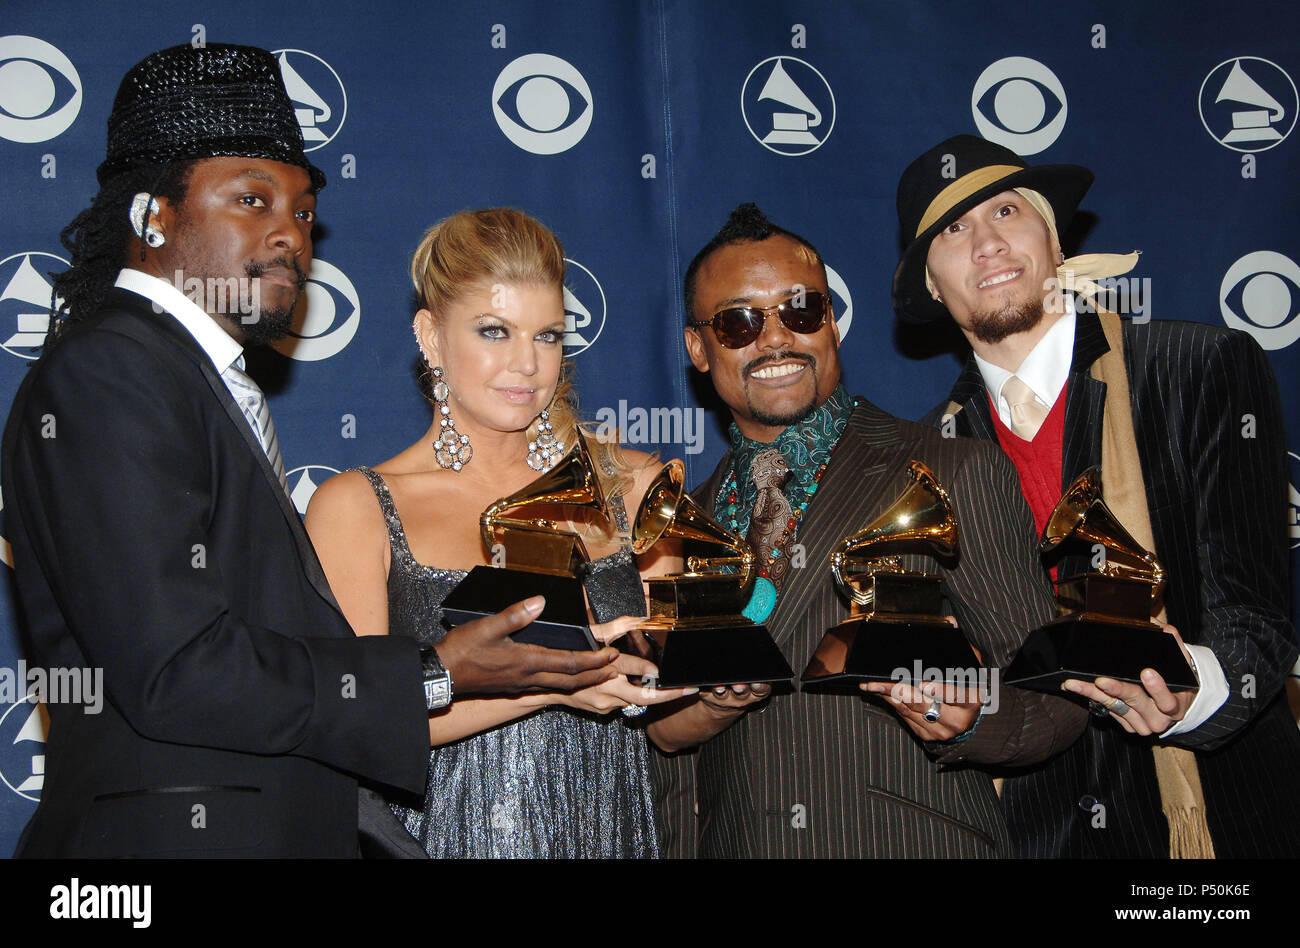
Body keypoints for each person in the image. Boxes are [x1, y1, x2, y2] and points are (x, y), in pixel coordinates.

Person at [1, 44, 618, 858]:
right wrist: (432, 672)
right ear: (152, 217)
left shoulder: (195, 379)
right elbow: (175, 672)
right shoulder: (111, 371)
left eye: (300, 212)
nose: (289, 236)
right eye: (251, 201)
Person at [894, 133, 1300, 857]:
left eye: (1007, 212)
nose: (986, 243)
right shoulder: (925, 458)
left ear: (1052, 237)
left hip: (1220, 825)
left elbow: (1259, 620)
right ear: (930, 283)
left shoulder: (1198, 369)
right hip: (1034, 833)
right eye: (953, 230)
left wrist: (1190, 690)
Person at [646, 203, 1087, 858]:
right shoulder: (682, 527)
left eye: (800, 312)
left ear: (830, 323)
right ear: (698, 349)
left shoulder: (950, 469)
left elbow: (1053, 695)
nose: (775, 340)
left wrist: (970, 720)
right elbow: (673, 760)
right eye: (739, 323)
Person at [305, 207, 694, 858]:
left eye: (546, 336)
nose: (526, 364)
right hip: (444, 838)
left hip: (609, 829)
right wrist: (557, 682)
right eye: (494, 331)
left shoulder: (633, 485)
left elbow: (673, 703)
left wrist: (729, 686)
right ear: (430, 336)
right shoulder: (359, 506)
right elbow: (357, 718)